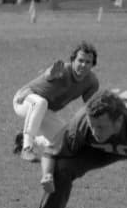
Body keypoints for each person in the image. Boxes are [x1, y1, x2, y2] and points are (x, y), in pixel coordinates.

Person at [13, 41, 99, 194]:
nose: (83, 65)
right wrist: (50, 74)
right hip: (24, 100)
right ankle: (27, 148)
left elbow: (90, 108)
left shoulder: (91, 82)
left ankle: (26, 139)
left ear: (93, 64)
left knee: (65, 141)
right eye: (80, 60)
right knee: (40, 102)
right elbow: (45, 77)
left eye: (88, 62)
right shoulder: (63, 70)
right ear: (72, 60)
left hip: (45, 112)